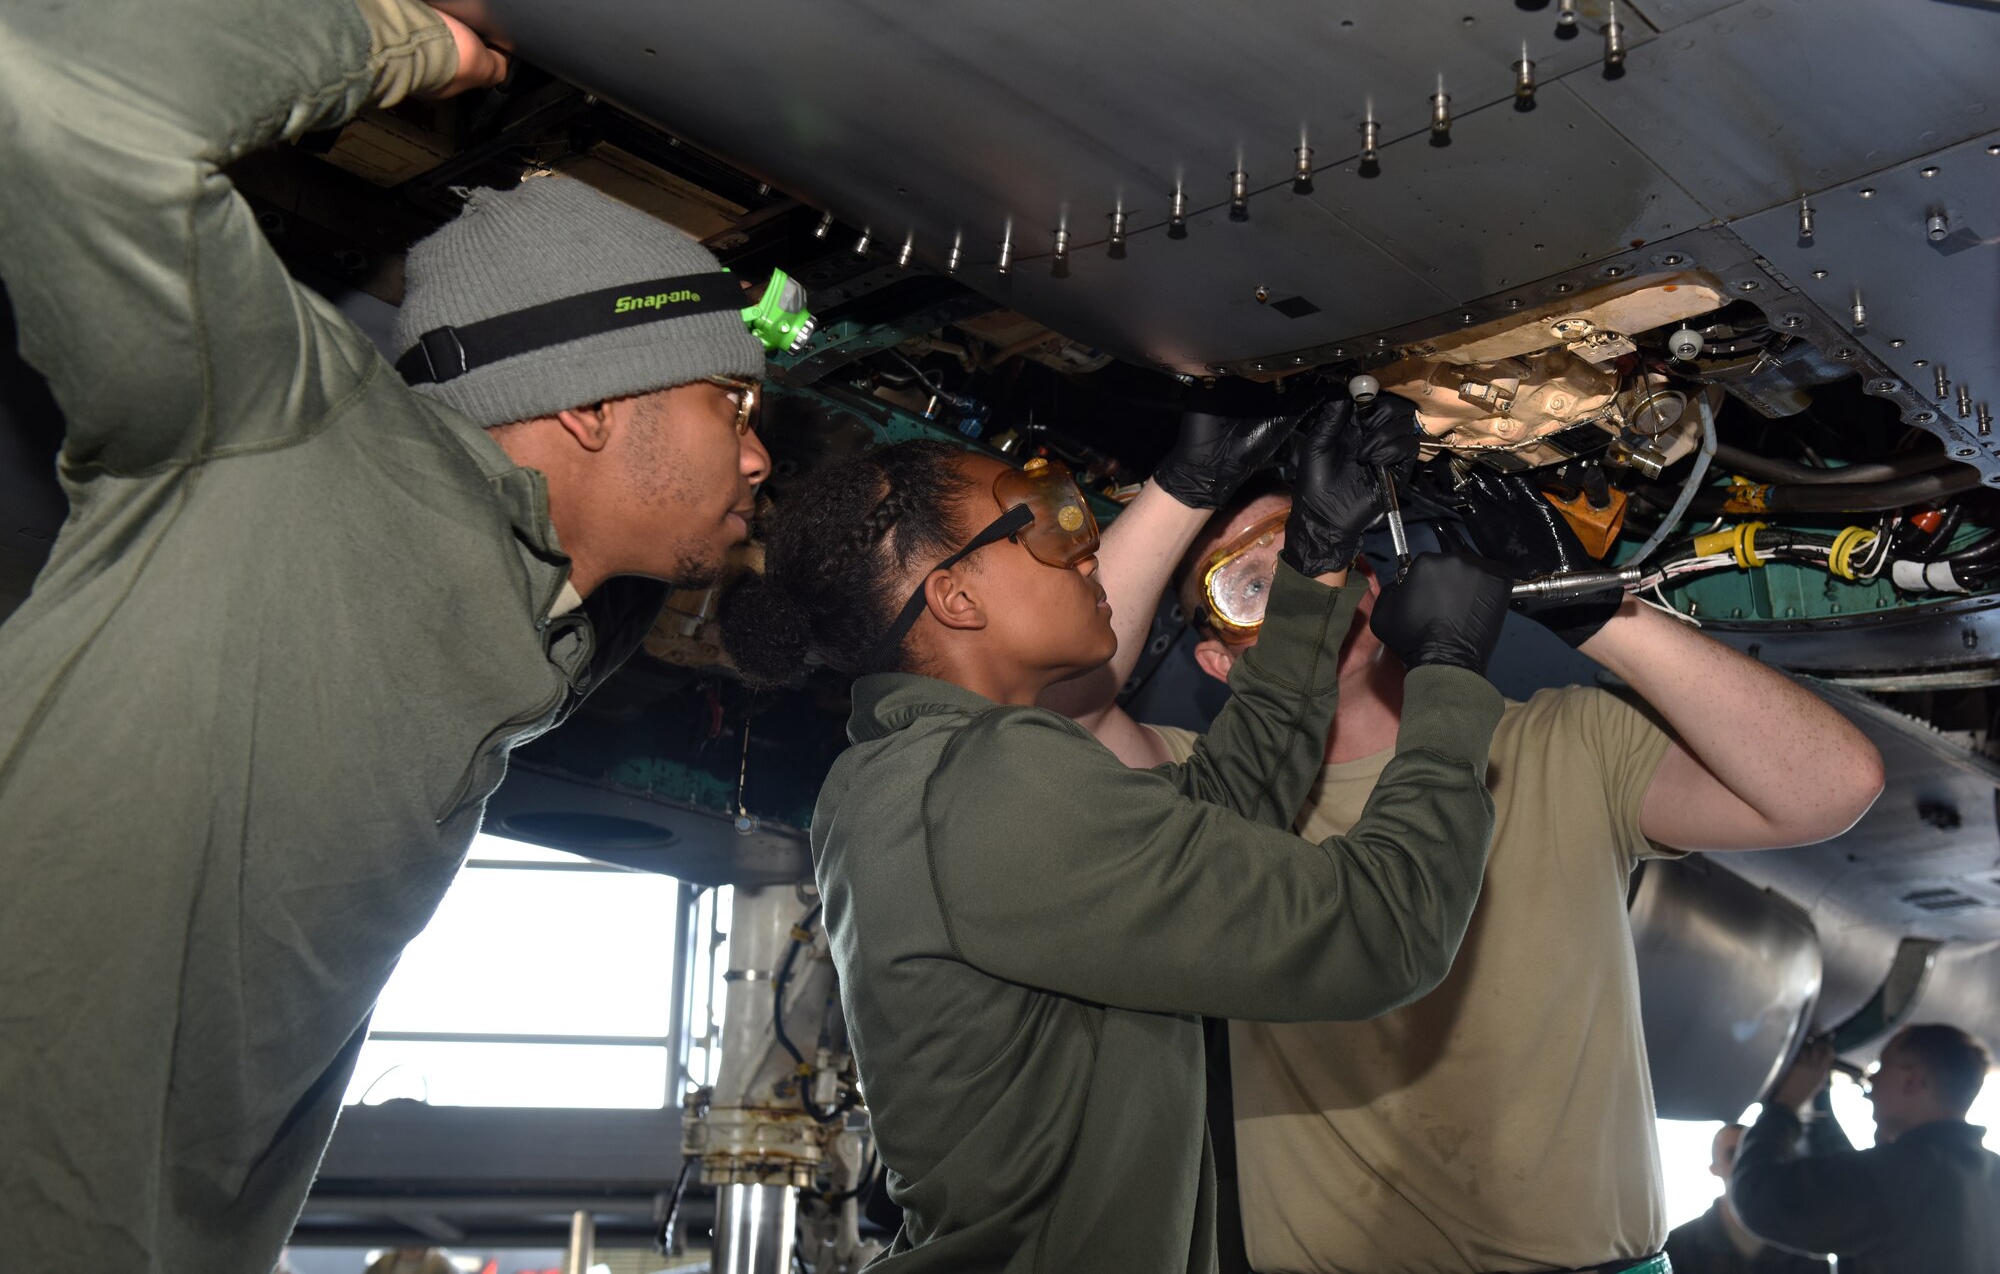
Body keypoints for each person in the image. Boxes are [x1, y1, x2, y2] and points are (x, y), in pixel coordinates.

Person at [0, 0, 771, 1274]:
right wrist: (400, 33)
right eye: (731, 401)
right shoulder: (287, 426)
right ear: (596, 398)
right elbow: (58, 91)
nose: (759, 454)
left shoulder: (536, 645)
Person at [719, 395, 1515, 1273]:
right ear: (954, 596)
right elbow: (1385, 930)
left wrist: (1316, 557)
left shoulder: (902, 774)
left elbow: (1209, 816)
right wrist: (1445, 677)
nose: (1086, 538)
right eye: (1049, 524)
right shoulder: (982, 781)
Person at [1052, 465, 1886, 1274]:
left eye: (1313, 551)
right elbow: (1053, 712)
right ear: (1220, 660)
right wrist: (1185, 483)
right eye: (1250, 586)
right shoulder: (1207, 801)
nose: (1306, 586)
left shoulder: (1564, 742)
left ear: (1370, 583)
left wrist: (1596, 609)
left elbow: (1830, 786)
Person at [1730, 1025, 2000, 1273]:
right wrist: (1818, 1096)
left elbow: (1760, 1198)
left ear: (1913, 1082)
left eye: (1880, 1067)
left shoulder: (1898, 1174)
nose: (1871, 1085)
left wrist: (1784, 1107)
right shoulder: (1990, 1174)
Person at [1664, 1125, 1828, 1273]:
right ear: (1714, 1169)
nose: (1742, 1164)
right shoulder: (1679, 1245)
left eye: (1749, 1154)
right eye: (1732, 1154)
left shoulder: (1803, 1238)